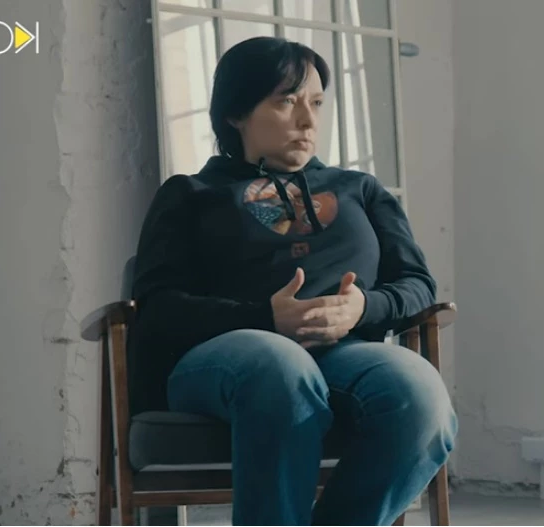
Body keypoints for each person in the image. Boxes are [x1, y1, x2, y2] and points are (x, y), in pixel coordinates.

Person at [129, 36, 457, 526]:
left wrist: (362, 308)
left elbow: (416, 284)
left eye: (317, 103)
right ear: (236, 112)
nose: (308, 120)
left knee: (420, 397)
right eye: (287, 101)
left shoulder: (359, 190)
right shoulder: (191, 194)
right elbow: (158, 305)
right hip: (222, 359)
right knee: (278, 364)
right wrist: (265, 317)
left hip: (345, 352)